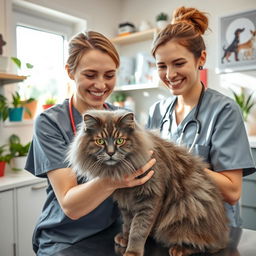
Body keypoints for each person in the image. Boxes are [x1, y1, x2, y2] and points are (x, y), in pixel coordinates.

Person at [25, 31, 155, 256]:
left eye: (109, 75)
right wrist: (117, 179)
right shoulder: (51, 122)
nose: (101, 85)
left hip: (114, 233)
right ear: (70, 72)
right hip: (64, 238)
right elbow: (71, 206)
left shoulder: (122, 117)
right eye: (91, 74)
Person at [147, 6, 256, 228]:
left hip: (210, 229)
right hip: (167, 225)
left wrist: (176, 162)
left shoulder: (224, 111)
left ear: (201, 59)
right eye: (162, 66)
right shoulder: (156, 112)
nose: (170, 75)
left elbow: (232, 190)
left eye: (179, 63)